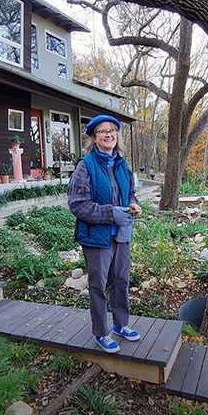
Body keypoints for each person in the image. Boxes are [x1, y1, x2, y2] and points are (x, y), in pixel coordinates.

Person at [68, 115, 142, 354]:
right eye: (102, 131)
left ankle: (121, 325)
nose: (108, 134)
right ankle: (101, 332)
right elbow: (77, 204)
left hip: (121, 234)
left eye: (112, 130)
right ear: (94, 137)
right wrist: (112, 213)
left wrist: (133, 205)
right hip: (96, 237)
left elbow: (130, 193)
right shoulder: (85, 165)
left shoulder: (122, 164)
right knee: (98, 286)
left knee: (121, 281)